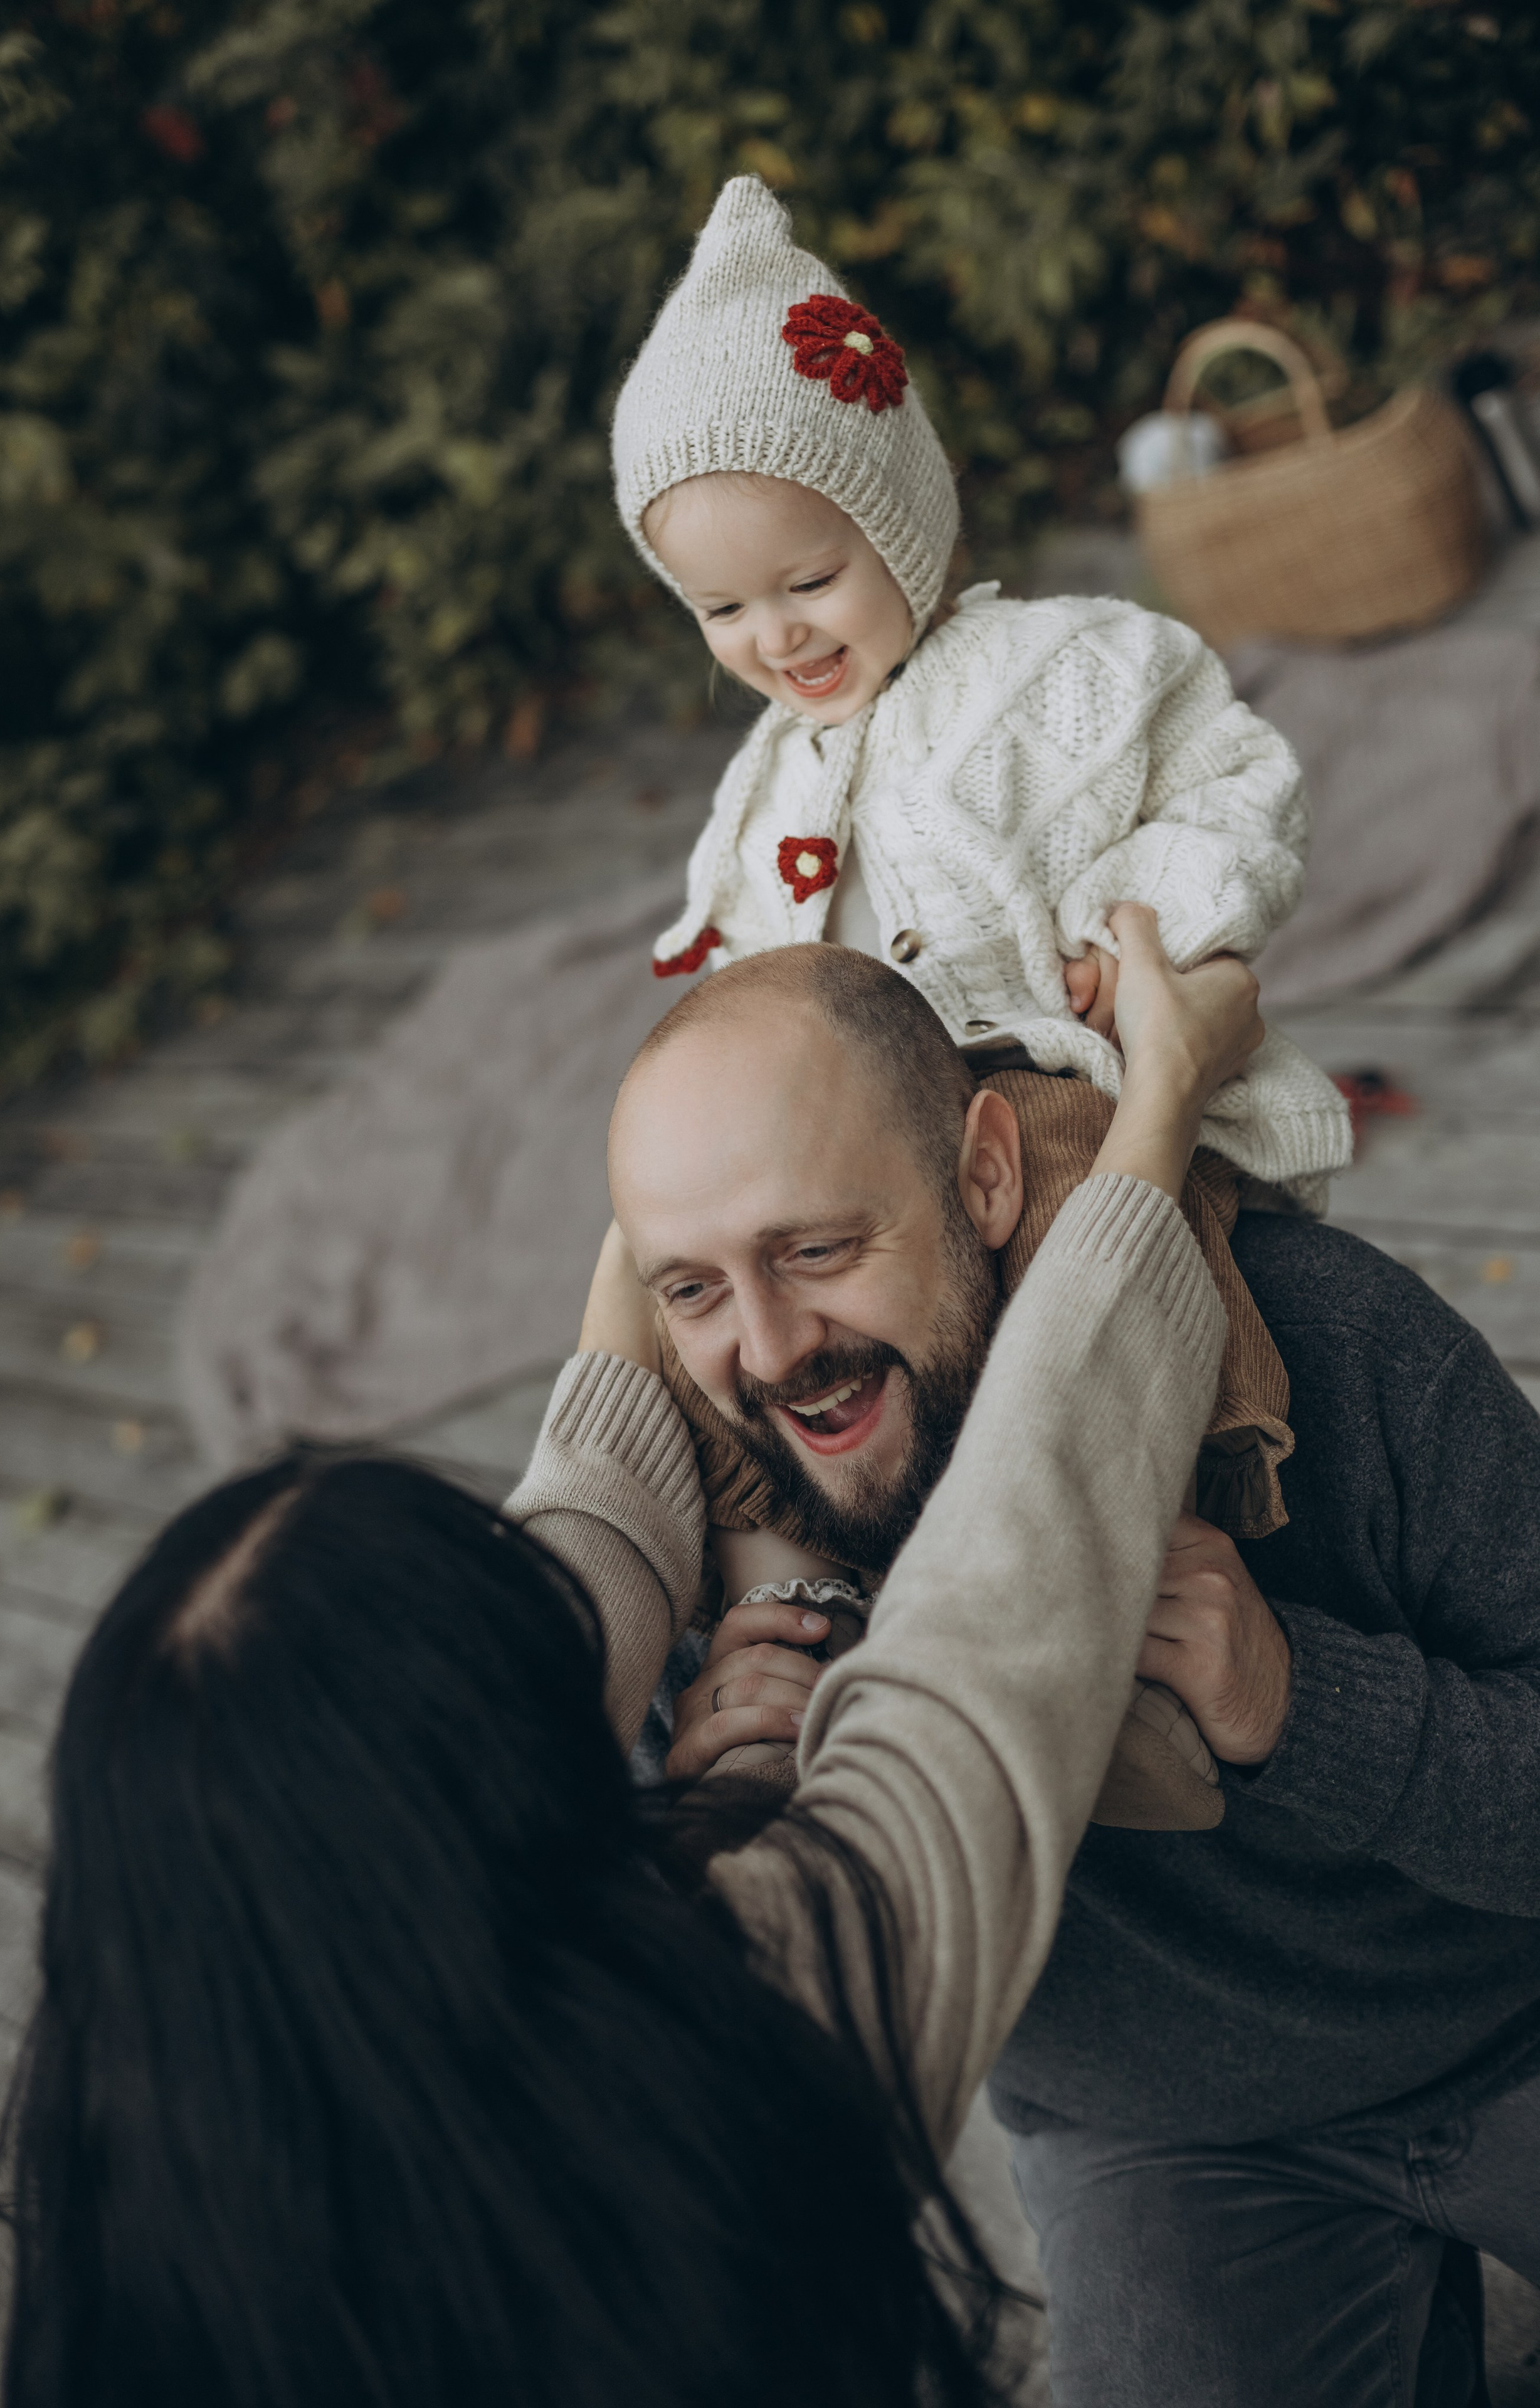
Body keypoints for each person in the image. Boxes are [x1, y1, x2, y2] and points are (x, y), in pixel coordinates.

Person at [1, 922, 1253, 2408]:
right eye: (698, 1291)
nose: (774, 1346)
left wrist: (674, 1230)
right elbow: (1000, 1607)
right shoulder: (717, 2064)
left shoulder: (138, 2177)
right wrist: (1161, 1097)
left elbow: (565, 1583)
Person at [593, 924, 1540, 2408]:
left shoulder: (1327, 1347)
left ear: (983, 1173)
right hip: (1160, 2137)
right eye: (694, 1290)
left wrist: (1303, 1699)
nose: (772, 1353)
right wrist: (694, 1799)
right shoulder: (719, 1531)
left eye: (817, 1251)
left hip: (1502, 2014)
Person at [609, 171, 1353, 1812]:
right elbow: (751, 977)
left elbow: (1240, 784)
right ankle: (795, 1599)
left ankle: (1158, 1567)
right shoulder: (762, 790)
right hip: (858, 1157)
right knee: (734, 1330)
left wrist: (1138, 919)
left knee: (1095, 1214)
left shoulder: (1061, 674)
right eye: (720, 609)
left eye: (806, 579)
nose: (771, 636)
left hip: (1052, 1076)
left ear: (901, 517)